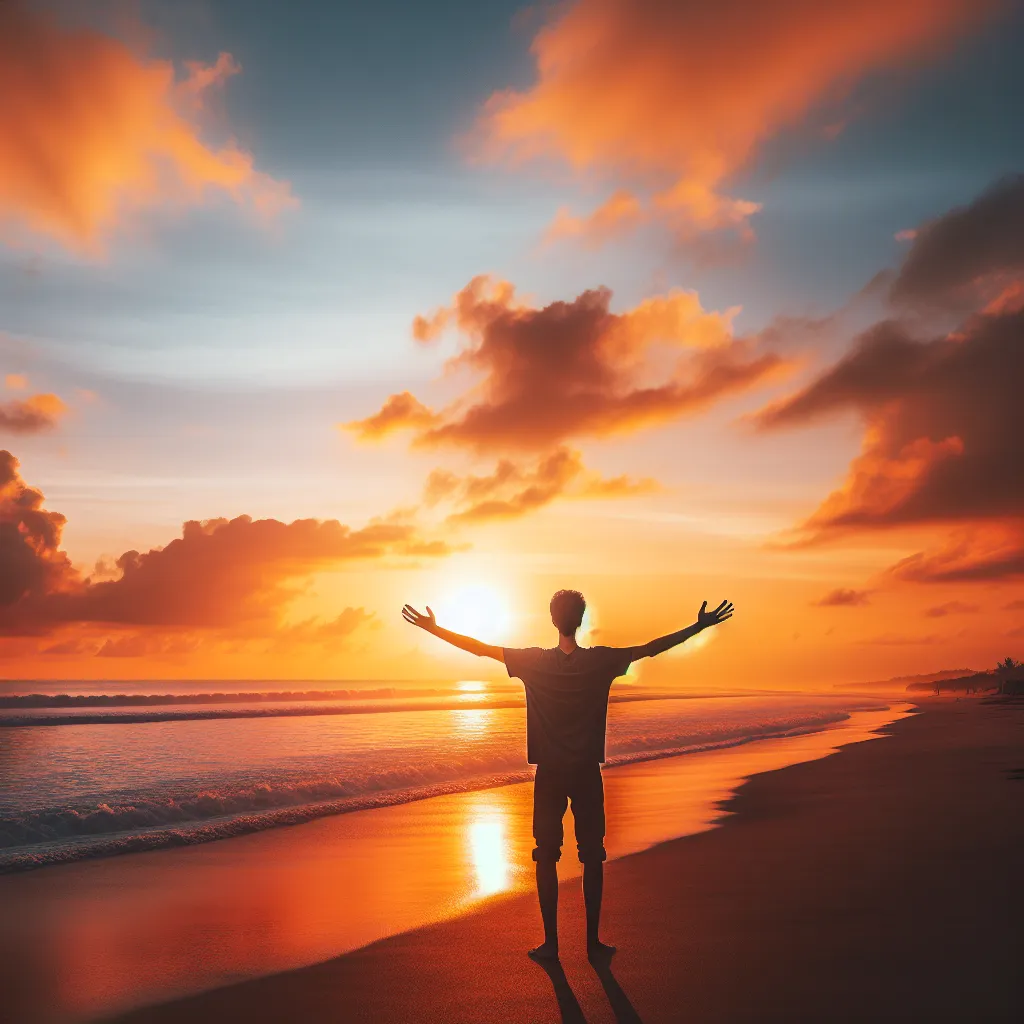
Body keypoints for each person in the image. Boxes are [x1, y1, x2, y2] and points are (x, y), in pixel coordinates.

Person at [401, 589, 734, 962]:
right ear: (581, 619)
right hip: (587, 773)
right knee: (592, 855)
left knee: (546, 855)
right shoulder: (602, 661)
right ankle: (593, 944)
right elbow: (651, 648)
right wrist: (698, 627)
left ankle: (551, 944)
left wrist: (434, 629)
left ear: (553, 619)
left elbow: (480, 648)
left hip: (550, 773)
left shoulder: (533, 662)